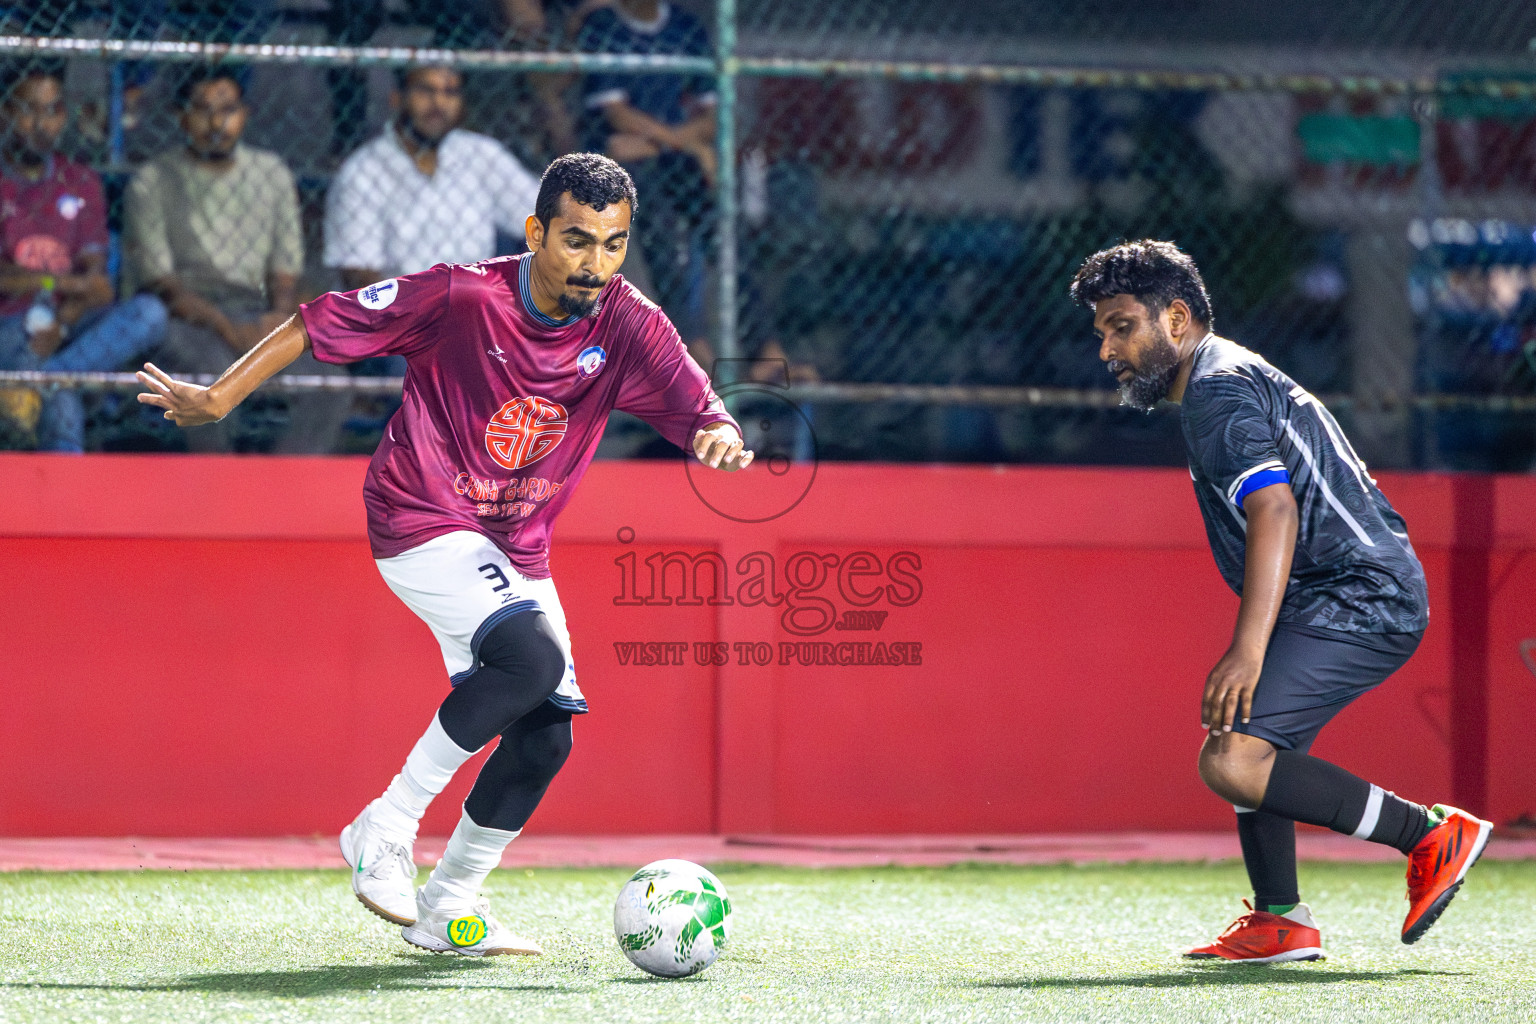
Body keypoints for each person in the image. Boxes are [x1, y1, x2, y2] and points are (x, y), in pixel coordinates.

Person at [137, 153, 753, 955]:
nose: (594, 263)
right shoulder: (465, 294)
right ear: (535, 233)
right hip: (419, 514)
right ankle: (382, 829)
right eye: (575, 241)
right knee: (530, 663)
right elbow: (318, 320)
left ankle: (449, 905)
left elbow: (701, 406)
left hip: (515, 546)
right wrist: (216, 398)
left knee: (546, 734)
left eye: (612, 244)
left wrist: (719, 436)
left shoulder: (630, 320)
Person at [1070, 239, 1492, 963]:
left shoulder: (1215, 390)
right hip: (1344, 590)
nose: (1108, 347)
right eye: (1102, 331)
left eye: (1121, 326)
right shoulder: (1223, 375)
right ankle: (1280, 920)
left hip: (1362, 597)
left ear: (1176, 319)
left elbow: (1276, 513)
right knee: (1248, 735)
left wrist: (1249, 647)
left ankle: (1428, 836)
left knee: (1232, 760)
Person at [124, 65, 351, 454]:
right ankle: (217, 492)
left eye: (227, 110)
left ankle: (283, 488)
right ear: (182, 116)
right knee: (205, 384)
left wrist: (276, 321)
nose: (216, 123)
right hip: (190, 317)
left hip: (258, 311)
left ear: (243, 114)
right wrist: (229, 329)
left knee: (330, 385)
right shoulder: (153, 181)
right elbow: (163, 286)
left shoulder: (271, 173)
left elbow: (285, 272)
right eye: (202, 110)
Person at [0, 63, 166, 451]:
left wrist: (59, 325)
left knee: (150, 314)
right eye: (28, 110)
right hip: (10, 324)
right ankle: (54, 391)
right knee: (65, 405)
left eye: (52, 110)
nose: (41, 123)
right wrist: (53, 282)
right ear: (5, 112)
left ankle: (44, 382)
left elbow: (97, 286)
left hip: (71, 323)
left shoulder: (80, 180)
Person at [324, 65, 542, 290]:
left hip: (480, 308)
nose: (439, 104)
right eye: (425, 91)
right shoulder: (363, 172)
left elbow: (546, 217)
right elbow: (360, 281)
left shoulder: (480, 154)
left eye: (450, 93)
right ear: (397, 99)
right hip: (401, 316)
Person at [577, 0, 716, 342]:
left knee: (723, 226)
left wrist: (673, 145)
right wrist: (686, 144)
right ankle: (689, 341)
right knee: (657, 222)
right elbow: (617, 117)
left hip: (670, 155)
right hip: (620, 165)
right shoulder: (603, 24)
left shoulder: (685, 26)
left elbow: (713, 117)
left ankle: (763, 347)